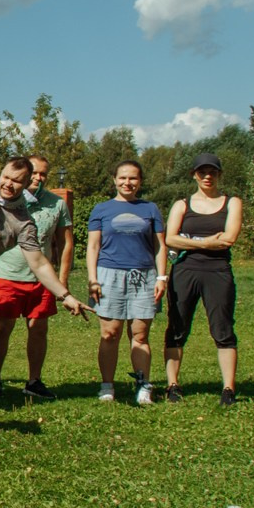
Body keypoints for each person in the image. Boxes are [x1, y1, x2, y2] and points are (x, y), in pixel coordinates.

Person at [0, 152, 72, 402]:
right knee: (2, 328)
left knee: (38, 329)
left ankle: (34, 381)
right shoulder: (6, 200)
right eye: (34, 173)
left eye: (43, 173)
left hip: (41, 280)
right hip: (8, 274)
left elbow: (65, 244)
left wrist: (62, 281)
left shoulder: (57, 204)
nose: (38, 178)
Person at [162, 153, 243, 406]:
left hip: (218, 271)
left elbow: (229, 239)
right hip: (185, 271)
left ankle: (228, 389)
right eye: (202, 172)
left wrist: (190, 242)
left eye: (213, 172)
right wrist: (207, 242)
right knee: (177, 328)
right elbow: (170, 239)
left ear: (219, 175)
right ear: (194, 175)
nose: (207, 177)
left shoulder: (232, 203)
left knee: (223, 329)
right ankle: (172, 385)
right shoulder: (181, 205)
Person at [86, 160, 168, 405]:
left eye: (133, 178)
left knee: (140, 335)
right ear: (114, 180)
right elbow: (93, 246)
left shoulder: (150, 209)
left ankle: (143, 386)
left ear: (140, 181)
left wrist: (162, 277)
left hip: (144, 277)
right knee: (110, 333)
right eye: (123, 178)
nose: (127, 182)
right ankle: (107, 386)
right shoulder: (101, 209)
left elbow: (160, 246)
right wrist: (93, 279)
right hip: (108, 275)